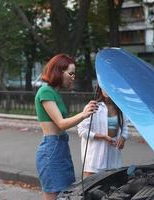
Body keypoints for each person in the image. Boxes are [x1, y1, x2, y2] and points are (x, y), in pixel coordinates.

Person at [35, 54, 97, 200]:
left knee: (64, 195)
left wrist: (85, 111)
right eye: (71, 73)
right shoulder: (46, 91)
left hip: (60, 147)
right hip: (51, 149)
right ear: (58, 72)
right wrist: (83, 114)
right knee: (53, 195)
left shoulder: (54, 93)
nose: (73, 77)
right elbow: (61, 123)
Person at [77, 85, 129, 177]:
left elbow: (125, 127)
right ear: (100, 88)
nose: (106, 89)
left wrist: (123, 138)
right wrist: (103, 137)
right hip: (94, 159)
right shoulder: (94, 106)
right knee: (90, 188)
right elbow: (82, 130)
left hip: (113, 157)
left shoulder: (120, 108)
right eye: (104, 86)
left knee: (112, 188)